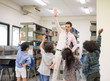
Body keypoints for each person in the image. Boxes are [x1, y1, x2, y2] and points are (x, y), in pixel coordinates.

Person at [52, 9, 78, 81]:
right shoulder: (61, 31)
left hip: (66, 53)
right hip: (58, 51)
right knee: (56, 68)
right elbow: (57, 24)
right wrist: (55, 16)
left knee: (65, 68)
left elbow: (76, 45)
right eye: (66, 26)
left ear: (71, 27)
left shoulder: (72, 35)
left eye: (68, 27)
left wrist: (71, 50)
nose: (66, 28)